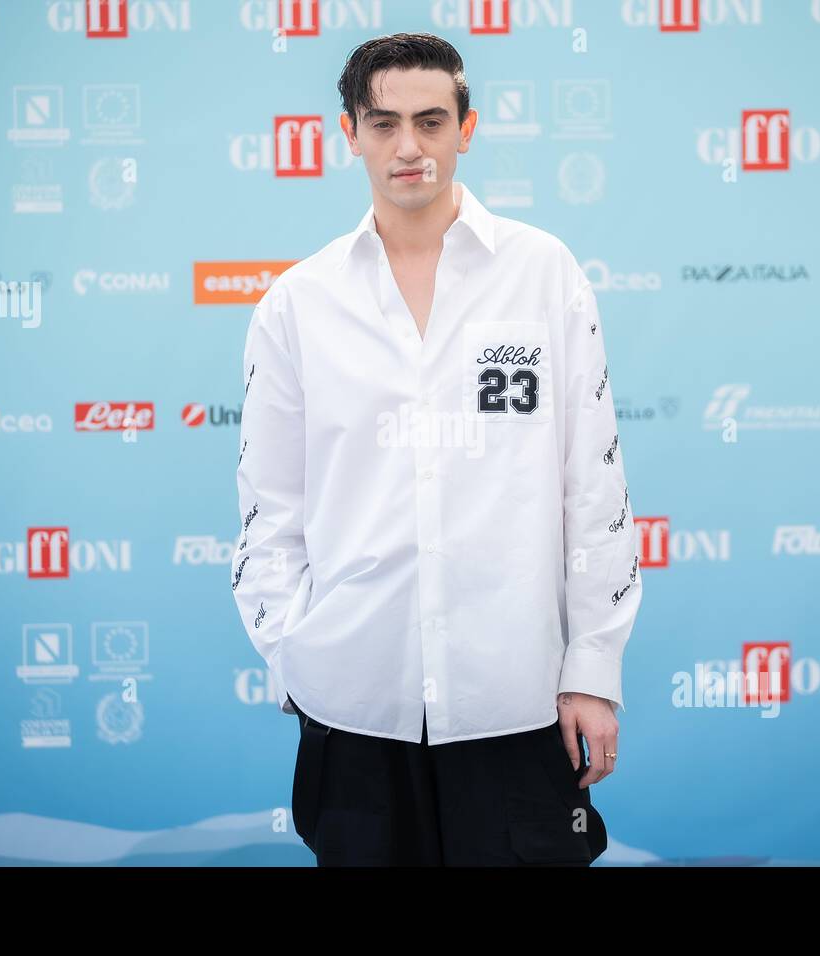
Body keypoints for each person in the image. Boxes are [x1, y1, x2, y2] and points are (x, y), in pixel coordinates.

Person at [230, 32, 642, 866]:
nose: (408, 147)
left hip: (517, 704)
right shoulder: (296, 305)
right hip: (354, 710)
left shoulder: (543, 274)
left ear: (467, 128)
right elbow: (269, 508)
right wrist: (298, 656)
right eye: (383, 124)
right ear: (348, 133)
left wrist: (592, 669)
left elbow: (593, 489)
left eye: (429, 121)